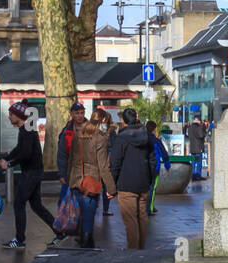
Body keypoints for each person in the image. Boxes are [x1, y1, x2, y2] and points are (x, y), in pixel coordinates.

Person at [0, 99, 57, 249]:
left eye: (11, 114)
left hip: (32, 172)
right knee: (36, 205)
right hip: (34, 171)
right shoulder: (26, 129)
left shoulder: (26, 130)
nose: (9, 117)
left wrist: (10, 164)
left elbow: (25, 154)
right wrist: (4, 159)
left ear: (19, 115)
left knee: (19, 203)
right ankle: (59, 231)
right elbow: (19, 149)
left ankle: (20, 240)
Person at [68, 106, 117, 248]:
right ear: (102, 120)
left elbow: (71, 158)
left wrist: (69, 177)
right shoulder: (100, 138)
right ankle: (86, 244)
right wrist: (112, 189)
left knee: (82, 213)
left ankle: (86, 242)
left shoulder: (79, 133)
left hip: (76, 180)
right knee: (89, 216)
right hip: (91, 181)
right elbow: (104, 167)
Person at [109, 107, 157, 248]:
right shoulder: (146, 136)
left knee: (130, 220)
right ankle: (140, 248)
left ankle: (133, 251)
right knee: (142, 217)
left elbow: (115, 163)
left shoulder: (121, 138)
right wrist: (150, 178)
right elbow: (152, 160)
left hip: (126, 184)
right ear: (136, 119)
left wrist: (112, 185)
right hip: (143, 183)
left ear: (123, 121)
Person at [57, 101, 87, 207]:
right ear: (71, 114)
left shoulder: (91, 129)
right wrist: (61, 174)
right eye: (77, 113)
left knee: (86, 204)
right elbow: (62, 154)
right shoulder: (66, 131)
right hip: (71, 173)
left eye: (82, 113)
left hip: (88, 173)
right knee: (64, 204)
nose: (80, 116)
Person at [146, 120, 171, 214]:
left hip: (144, 167)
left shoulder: (142, 139)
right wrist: (167, 166)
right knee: (152, 188)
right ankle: (149, 209)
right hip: (154, 168)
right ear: (154, 130)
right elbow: (164, 154)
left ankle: (144, 207)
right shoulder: (156, 141)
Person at [188, 115, 206, 179]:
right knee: (199, 163)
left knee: (193, 162)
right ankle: (198, 176)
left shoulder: (190, 128)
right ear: (198, 120)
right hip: (198, 147)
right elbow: (201, 135)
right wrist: (203, 127)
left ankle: (193, 175)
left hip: (192, 148)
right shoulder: (199, 127)